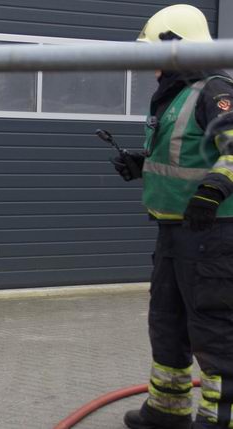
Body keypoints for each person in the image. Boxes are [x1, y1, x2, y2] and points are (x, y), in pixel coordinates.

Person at [111, 5, 233, 429]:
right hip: (174, 231)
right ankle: (168, 409)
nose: (150, 63)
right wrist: (141, 164)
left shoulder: (214, 90)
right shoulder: (177, 94)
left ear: (175, 47)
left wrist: (212, 191)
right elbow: (187, 155)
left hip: (213, 234)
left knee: (214, 328)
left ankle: (221, 417)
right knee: (167, 322)